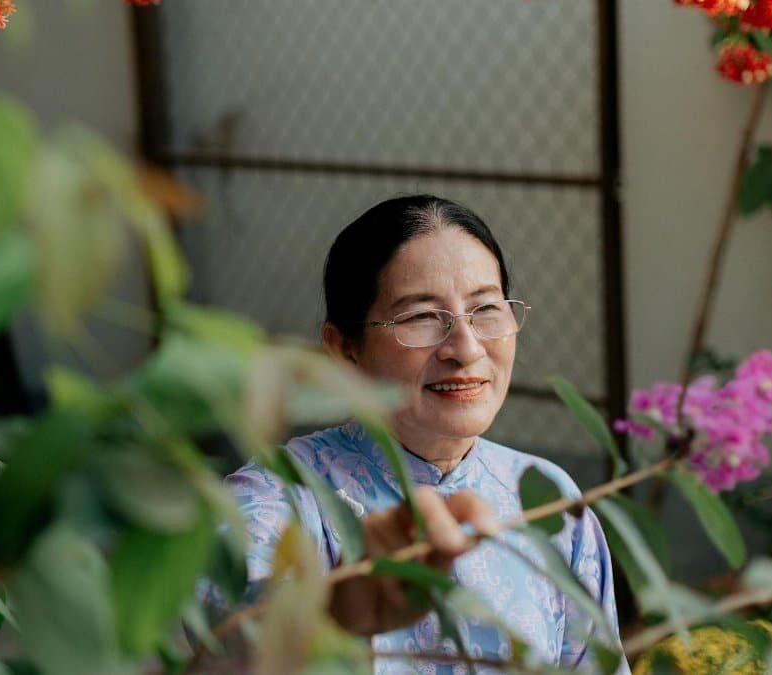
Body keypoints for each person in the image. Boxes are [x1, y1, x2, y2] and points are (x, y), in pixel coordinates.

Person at [226, 194, 628, 673]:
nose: (466, 348)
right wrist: (335, 612)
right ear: (345, 349)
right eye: (420, 317)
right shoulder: (280, 497)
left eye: (485, 309)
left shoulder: (548, 497)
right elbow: (230, 639)